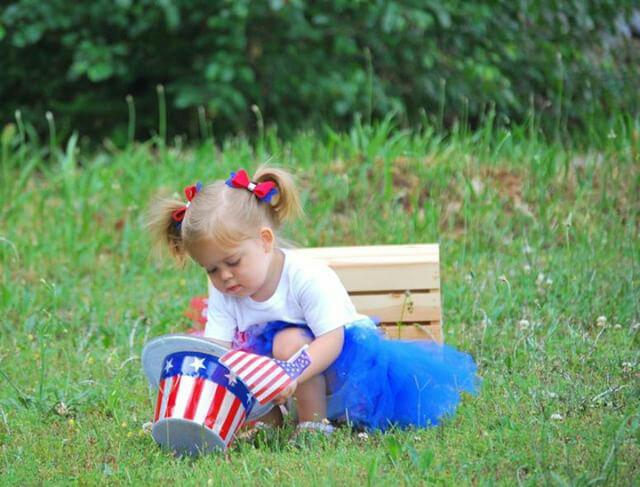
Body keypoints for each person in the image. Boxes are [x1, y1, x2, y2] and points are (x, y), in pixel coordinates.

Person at [148, 166, 479, 436]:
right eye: (211, 269)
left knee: (288, 340)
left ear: (265, 241)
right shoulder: (224, 288)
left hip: (335, 362)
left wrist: (289, 374)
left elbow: (331, 340)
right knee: (240, 358)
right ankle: (270, 420)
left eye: (232, 262)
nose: (224, 278)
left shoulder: (306, 276)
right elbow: (218, 350)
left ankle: (312, 423)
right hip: (274, 368)